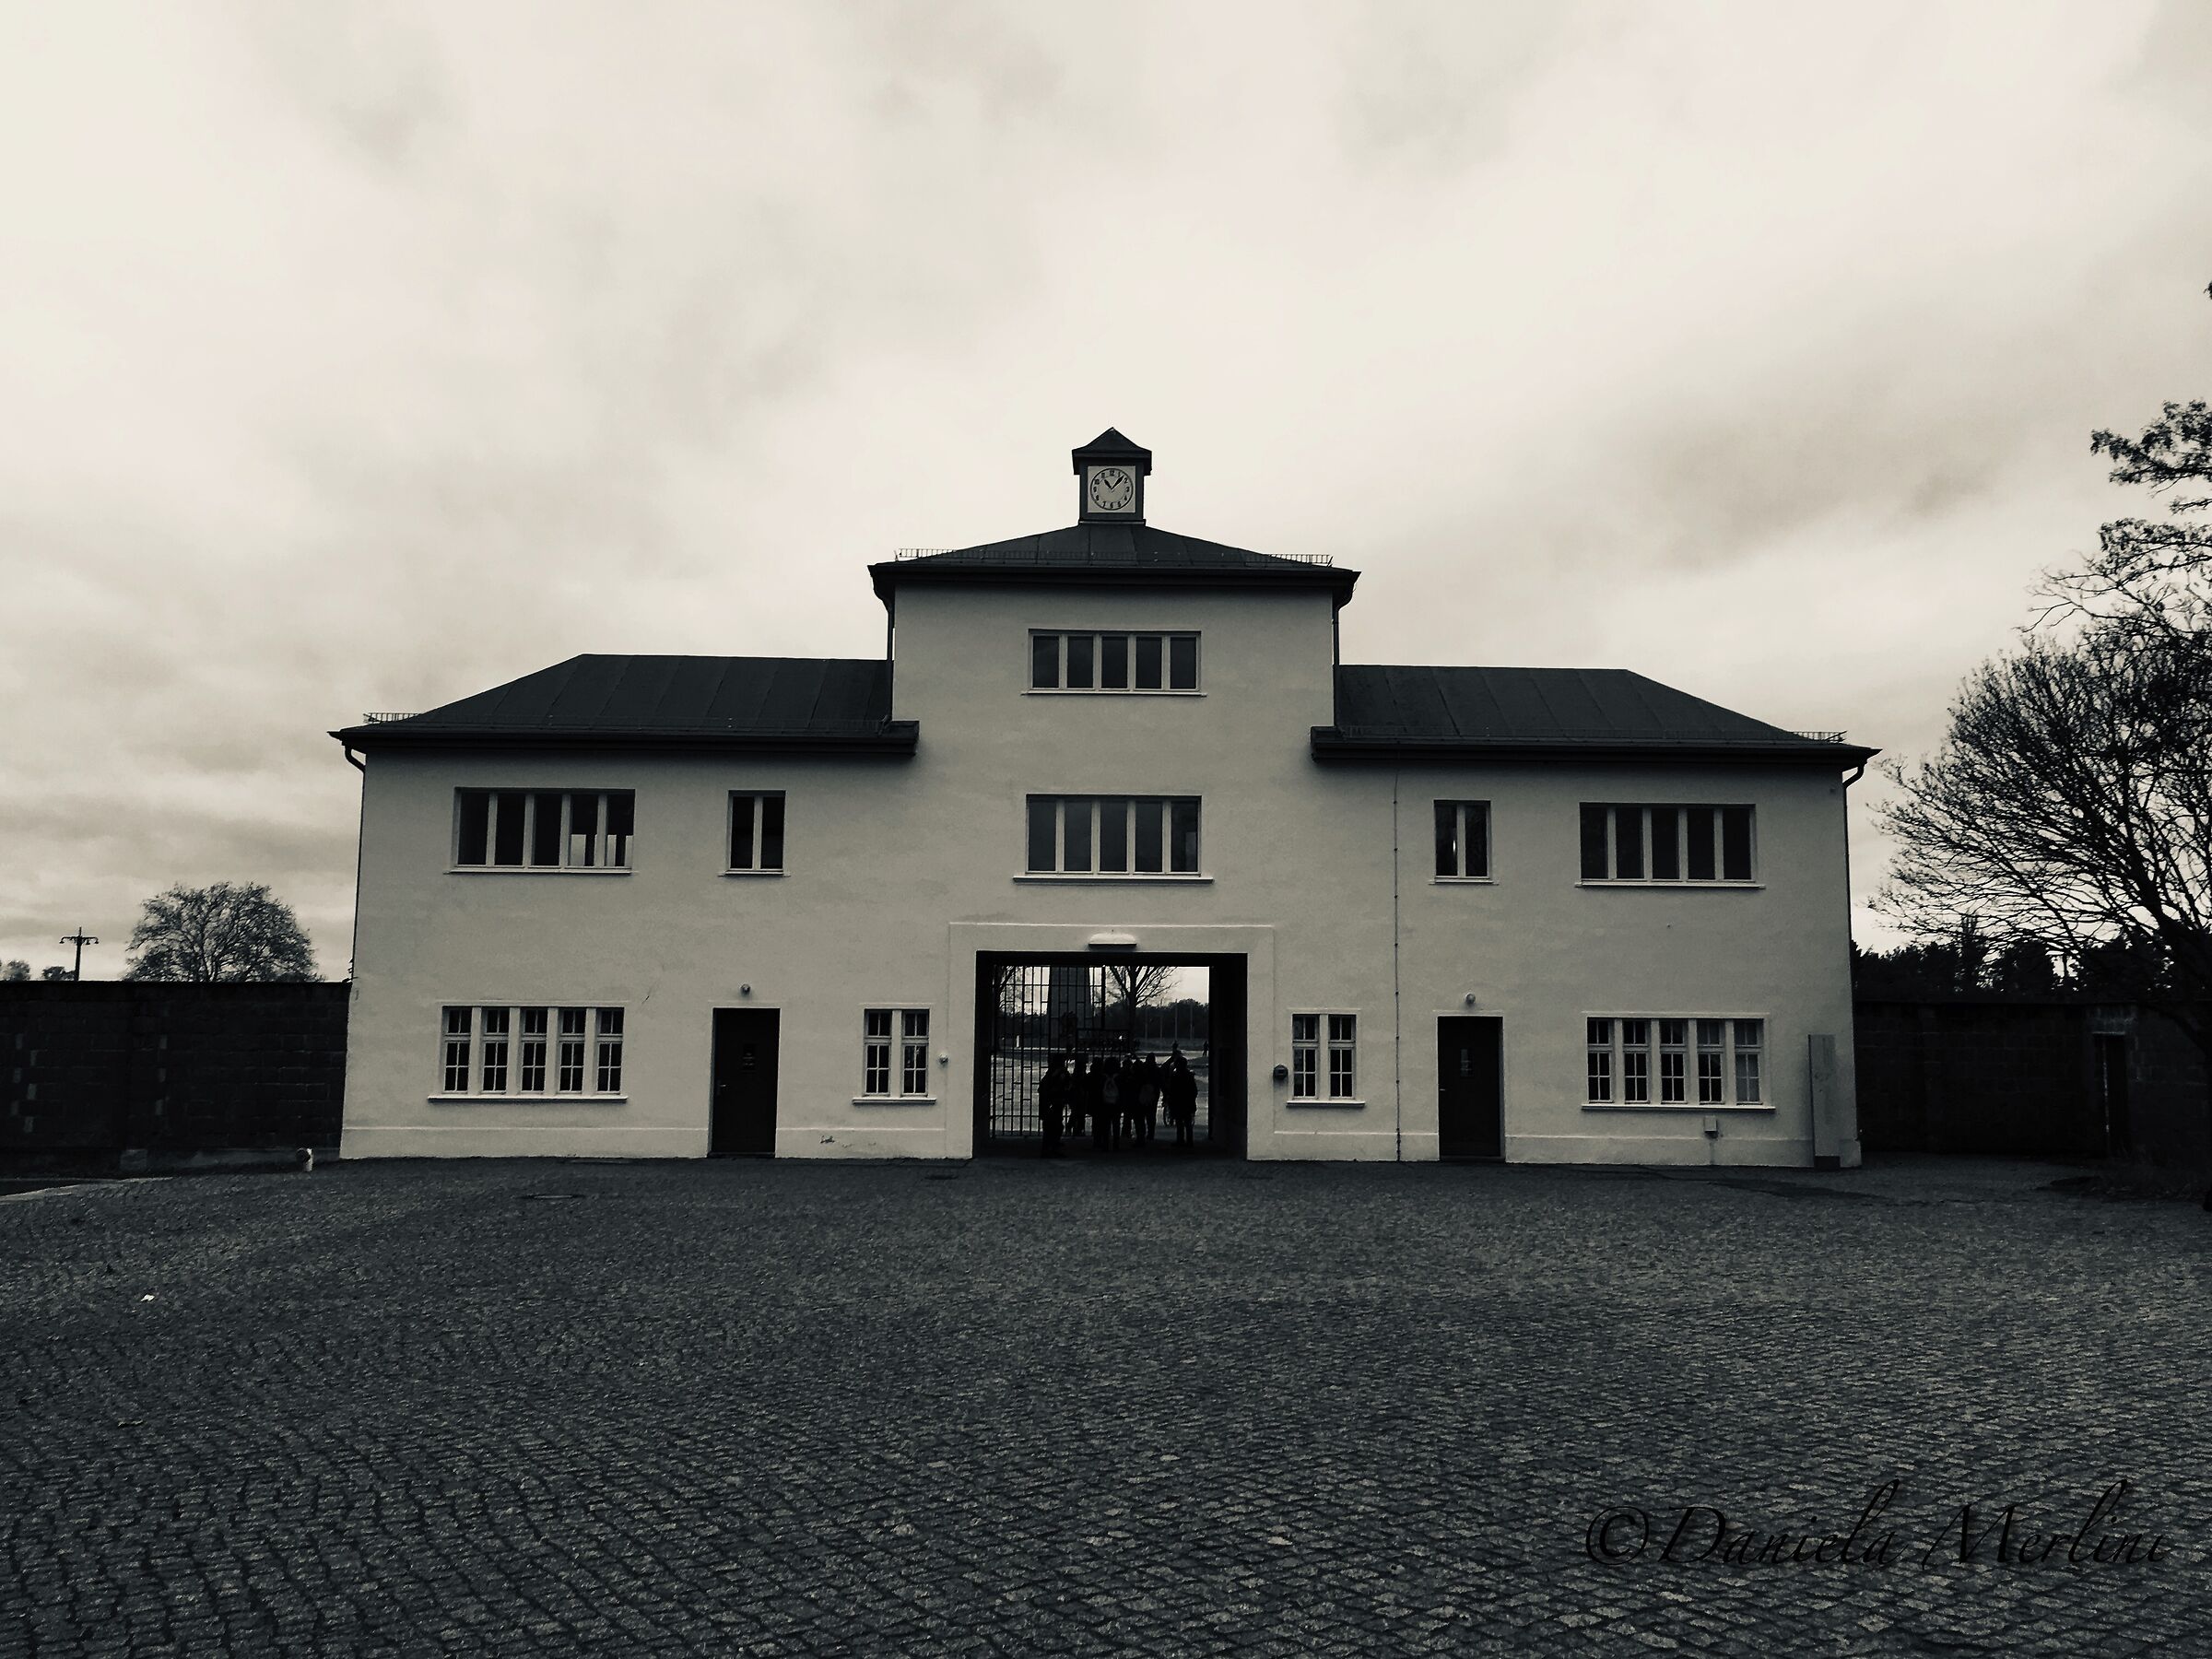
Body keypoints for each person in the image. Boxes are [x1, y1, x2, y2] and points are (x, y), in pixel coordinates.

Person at [1167, 1050, 1197, 1148]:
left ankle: (1180, 1141)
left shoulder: (1175, 1077)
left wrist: (1170, 1102)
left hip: (1178, 1103)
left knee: (1180, 1124)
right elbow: (1194, 1091)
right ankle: (1189, 1142)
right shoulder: (1189, 1076)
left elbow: (1171, 1091)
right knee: (1188, 1123)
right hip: (1188, 1103)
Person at [1039, 1055, 1068, 1157]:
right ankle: (1050, 1149)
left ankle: (1049, 1148)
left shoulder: (1050, 1074)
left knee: (1052, 1127)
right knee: (1054, 1127)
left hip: (1050, 1104)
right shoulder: (1058, 1074)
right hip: (1053, 1104)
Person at [1135, 1054, 1161, 1145]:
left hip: (1142, 1094)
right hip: (1153, 1095)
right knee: (1151, 1116)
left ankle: (1141, 1136)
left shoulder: (1143, 1069)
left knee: (1140, 1117)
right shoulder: (1157, 1070)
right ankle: (1150, 1134)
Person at [1096, 1057, 1122, 1151]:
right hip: (1116, 1103)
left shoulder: (1102, 1078)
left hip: (1104, 1104)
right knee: (1116, 1124)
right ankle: (1116, 1144)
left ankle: (1106, 1143)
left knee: (1105, 1125)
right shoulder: (1119, 1077)